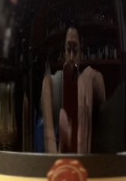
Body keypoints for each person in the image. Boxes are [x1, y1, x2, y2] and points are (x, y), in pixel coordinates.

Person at [41, 25, 105, 154]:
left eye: (75, 51)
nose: (71, 57)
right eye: (68, 50)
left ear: (81, 53)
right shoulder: (50, 83)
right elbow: (49, 140)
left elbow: (101, 90)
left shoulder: (89, 79)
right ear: (64, 52)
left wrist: (90, 76)